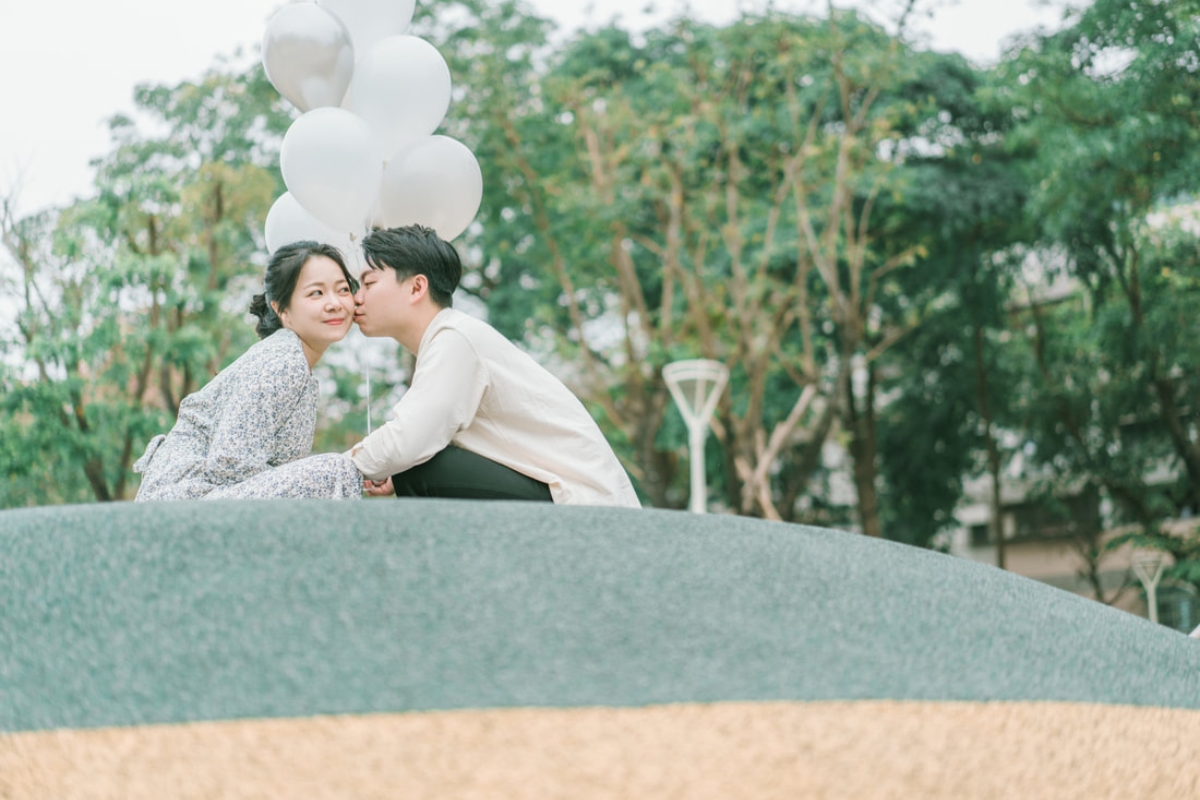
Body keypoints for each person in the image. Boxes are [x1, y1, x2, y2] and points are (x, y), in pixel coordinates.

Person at [346, 225, 640, 507]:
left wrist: (333, 470)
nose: (356, 298)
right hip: (568, 497)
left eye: (369, 283)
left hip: (580, 503)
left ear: (416, 288)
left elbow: (409, 438)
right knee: (410, 467)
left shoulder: (455, 338)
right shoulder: (454, 337)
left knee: (417, 467)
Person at [134, 241, 363, 501]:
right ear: (282, 310)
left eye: (343, 289)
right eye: (316, 294)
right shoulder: (282, 361)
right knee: (335, 471)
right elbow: (230, 464)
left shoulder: (294, 360)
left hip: (210, 499)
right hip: (186, 501)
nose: (335, 303)